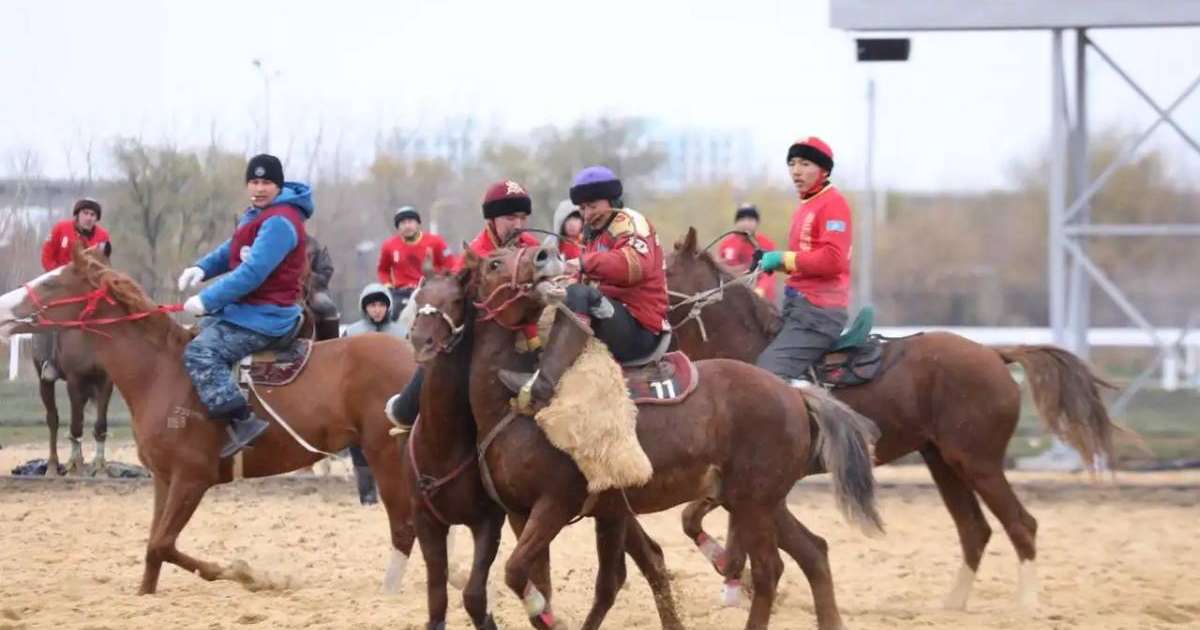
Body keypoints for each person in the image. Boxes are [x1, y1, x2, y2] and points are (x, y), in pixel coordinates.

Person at [176, 154, 314, 457]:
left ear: (278, 186)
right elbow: (233, 250)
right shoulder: (258, 214)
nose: (259, 188)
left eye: (266, 182)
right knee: (191, 336)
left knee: (201, 352)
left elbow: (252, 273)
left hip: (268, 316)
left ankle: (243, 422)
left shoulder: (280, 222)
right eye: (254, 181)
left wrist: (206, 299)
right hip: (247, 312)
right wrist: (201, 268)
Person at [385, 180, 539, 432]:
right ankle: (408, 407)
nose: (518, 225)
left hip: (528, 329)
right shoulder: (476, 253)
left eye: (523, 217)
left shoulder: (531, 246)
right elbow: (453, 297)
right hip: (479, 332)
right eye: (511, 217)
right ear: (492, 219)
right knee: (442, 357)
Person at [755, 137, 852, 386]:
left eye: (805, 163)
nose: (796, 171)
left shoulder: (833, 204)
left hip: (818, 314)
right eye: (792, 163)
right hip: (797, 308)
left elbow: (833, 259)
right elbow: (807, 258)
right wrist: (773, 262)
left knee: (765, 378)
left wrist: (783, 258)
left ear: (824, 170)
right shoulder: (808, 204)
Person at [340, 283, 405, 504]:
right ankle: (367, 496)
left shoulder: (401, 333)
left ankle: (397, 493)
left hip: (394, 399)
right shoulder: (352, 333)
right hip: (361, 400)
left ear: (388, 307)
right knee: (360, 447)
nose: (377, 310)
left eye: (380, 305)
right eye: (372, 305)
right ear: (364, 308)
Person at [34, 198, 112, 381]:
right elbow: (46, 256)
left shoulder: (102, 237)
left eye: (93, 215)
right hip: (58, 285)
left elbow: (104, 264)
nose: (89, 218)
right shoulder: (60, 229)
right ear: (77, 215)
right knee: (44, 316)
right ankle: (48, 362)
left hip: (86, 288)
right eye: (85, 213)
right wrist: (59, 276)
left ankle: (107, 361)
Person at [377, 206, 452, 320]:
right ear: (398, 227)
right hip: (402, 293)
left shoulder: (436, 242)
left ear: (417, 224)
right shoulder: (389, 246)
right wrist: (388, 286)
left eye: (410, 221)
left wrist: (439, 279)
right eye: (402, 223)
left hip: (430, 289)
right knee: (389, 315)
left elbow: (450, 264)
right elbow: (383, 270)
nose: (407, 226)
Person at [716, 203, 779, 301]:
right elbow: (722, 271)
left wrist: (760, 289)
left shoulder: (766, 244)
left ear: (756, 222)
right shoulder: (726, 245)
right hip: (733, 297)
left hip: (762, 298)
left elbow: (769, 273)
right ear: (736, 222)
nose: (746, 223)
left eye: (750, 220)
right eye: (742, 219)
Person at [305, 233, 341, 340]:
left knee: (327, 306)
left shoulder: (313, 244)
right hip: (282, 289)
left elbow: (326, 271)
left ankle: (332, 347)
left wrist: (307, 278)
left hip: (312, 290)